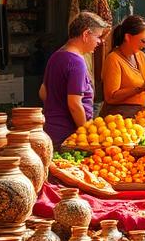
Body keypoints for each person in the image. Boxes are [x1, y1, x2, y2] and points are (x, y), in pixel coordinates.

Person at [40, 12, 110, 146]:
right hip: (68, 136)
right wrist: (86, 133)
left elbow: (43, 92)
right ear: (85, 34)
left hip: (51, 131)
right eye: (98, 36)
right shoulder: (76, 62)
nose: (100, 41)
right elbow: (74, 104)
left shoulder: (56, 56)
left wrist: (56, 106)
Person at [102, 14, 145, 118]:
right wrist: (141, 88)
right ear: (127, 37)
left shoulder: (140, 56)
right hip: (117, 120)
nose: (144, 45)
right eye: (142, 40)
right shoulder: (113, 59)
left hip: (138, 116)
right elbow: (111, 97)